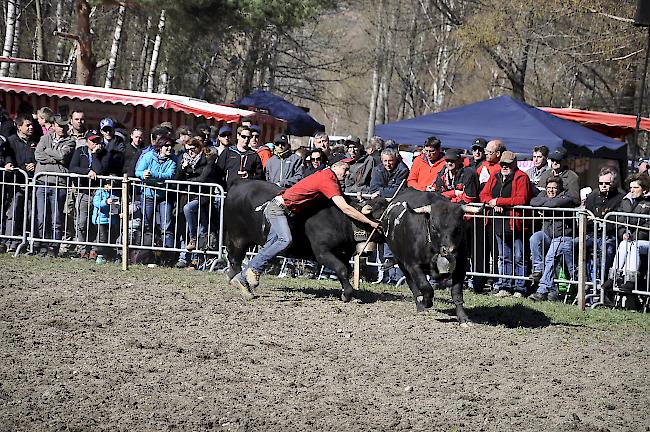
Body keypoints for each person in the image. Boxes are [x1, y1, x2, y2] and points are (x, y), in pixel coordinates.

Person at [229, 159, 380, 298]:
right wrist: (370, 222)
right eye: (345, 169)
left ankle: (242, 278)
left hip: (286, 212)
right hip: (278, 209)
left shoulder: (329, 177)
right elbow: (345, 208)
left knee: (273, 244)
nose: (347, 173)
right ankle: (253, 270)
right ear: (334, 166)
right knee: (284, 240)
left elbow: (344, 200)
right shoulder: (327, 179)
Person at [480, 151, 533, 297]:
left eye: (508, 164)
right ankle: (505, 286)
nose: (504, 166)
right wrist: (492, 202)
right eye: (502, 163)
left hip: (516, 223)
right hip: (499, 222)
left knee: (519, 256)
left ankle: (520, 287)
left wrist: (499, 201)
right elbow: (484, 194)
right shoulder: (495, 176)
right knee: (504, 256)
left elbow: (521, 199)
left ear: (514, 164)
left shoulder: (521, 177)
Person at [528, 177, 577, 301]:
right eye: (548, 188)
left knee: (551, 257)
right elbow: (533, 201)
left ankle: (542, 290)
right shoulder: (544, 194)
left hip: (562, 236)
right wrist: (545, 202)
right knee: (535, 238)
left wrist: (544, 204)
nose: (551, 190)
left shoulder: (567, 198)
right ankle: (538, 270)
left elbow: (555, 203)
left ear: (560, 189)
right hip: (547, 234)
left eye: (554, 188)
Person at [34, 114, 76, 256]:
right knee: (41, 217)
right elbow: (38, 154)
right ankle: (42, 245)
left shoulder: (70, 141)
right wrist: (55, 157)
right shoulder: (44, 138)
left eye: (64, 125)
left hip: (59, 183)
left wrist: (49, 152)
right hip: (42, 181)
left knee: (56, 218)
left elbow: (63, 156)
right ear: (54, 126)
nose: (62, 128)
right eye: (60, 125)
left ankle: (54, 247)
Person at [68, 130, 114, 259]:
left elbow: (100, 170)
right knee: (82, 222)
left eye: (97, 140)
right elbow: (72, 168)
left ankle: (95, 249)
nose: (95, 143)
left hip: (98, 192)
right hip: (83, 191)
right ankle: (82, 249)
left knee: (96, 222)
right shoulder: (80, 151)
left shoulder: (104, 154)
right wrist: (87, 171)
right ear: (87, 141)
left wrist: (94, 155)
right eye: (92, 141)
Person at [603, 173, 650, 296]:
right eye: (631, 188)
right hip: (631, 239)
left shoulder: (648, 202)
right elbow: (619, 222)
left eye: (635, 188)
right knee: (624, 244)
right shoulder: (626, 201)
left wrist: (633, 236)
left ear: (644, 189)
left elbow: (647, 225)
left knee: (634, 245)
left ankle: (630, 280)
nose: (632, 191)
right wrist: (623, 233)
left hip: (645, 240)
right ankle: (613, 277)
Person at [174, 136, 216, 267]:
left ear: (199, 148)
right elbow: (177, 179)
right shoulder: (184, 159)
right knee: (185, 227)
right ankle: (184, 258)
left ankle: (197, 259)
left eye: (193, 149)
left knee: (201, 227)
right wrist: (182, 168)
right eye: (188, 150)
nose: (190, 152)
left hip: (203, 196)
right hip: (187, 196)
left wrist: (189, 179)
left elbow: (203, 178)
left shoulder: (208, 158)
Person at [135, 135, 178, 252]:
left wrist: (151, 175)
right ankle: (144, 251)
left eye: (171, 146)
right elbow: (137, 171)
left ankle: (167, 254)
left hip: (165, 196)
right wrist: (143, 175)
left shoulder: (174, 159)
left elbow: (170, 175)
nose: (169, 148)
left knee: (166, 226)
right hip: (148, 195)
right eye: (166, 146)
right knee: (146, 223)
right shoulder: (148, 156)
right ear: (160, 147)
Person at [583, 168, 624, 288]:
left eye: (607, 183)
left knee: (608, 250)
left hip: (610, 236)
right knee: (572, 245)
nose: (603, 186)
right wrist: (598, 220)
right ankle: (583, 281)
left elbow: (616, 222)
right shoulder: (593, 196)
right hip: (592, 234)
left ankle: (603, 284)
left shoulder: (621, 197)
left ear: (614, 183)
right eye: (601, 183)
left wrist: (598, 220)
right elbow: (587, 219)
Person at [3, 115, 37, 252]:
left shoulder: (35, 142)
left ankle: (24, 241)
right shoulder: (11, 141)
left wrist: (34, 165)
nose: (31, 127)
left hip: (31, 183)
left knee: (29, 214)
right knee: (13, 213)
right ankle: (9, 242)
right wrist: (17, 167)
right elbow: (8, 158)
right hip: (16, 183)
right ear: (19, 126)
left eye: (32, 125)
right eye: (27, 125)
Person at [91, 182, 121, 264]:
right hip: (100, 220)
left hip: (111, 220)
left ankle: (107, 254)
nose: (110, 187)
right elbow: (97, 203)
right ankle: (99, 255)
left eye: (112, 185)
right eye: (108, 184)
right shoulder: (99, 192)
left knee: (110, 237)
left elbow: (116, 207)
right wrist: (106, 202)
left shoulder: (114, 193)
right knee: (102, 238)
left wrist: (118, 206)